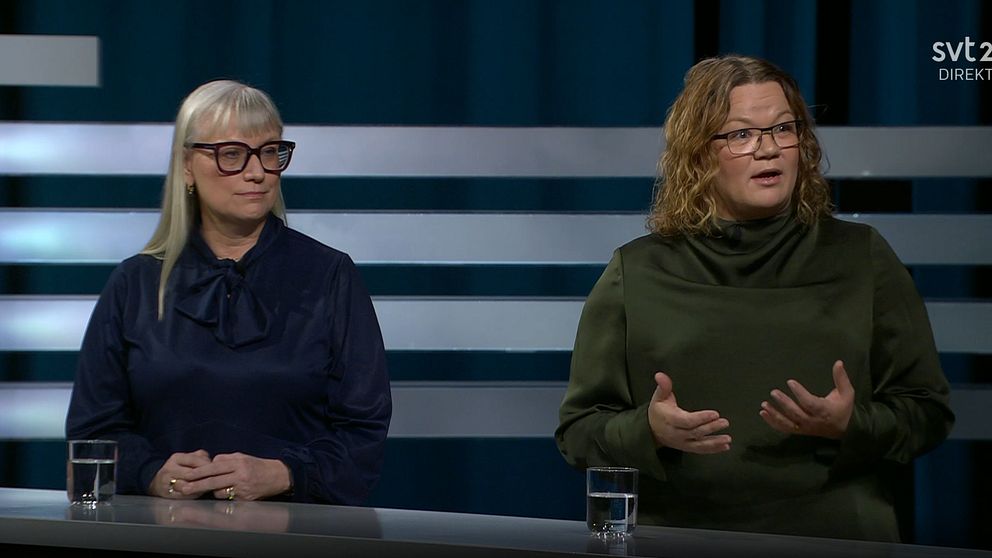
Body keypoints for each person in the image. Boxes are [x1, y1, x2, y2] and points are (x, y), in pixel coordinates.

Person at [555, 55, 954, 541]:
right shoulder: (637, 271)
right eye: (741, 134)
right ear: (699, 154)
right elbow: (578, 432)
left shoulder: (861, 257)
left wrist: (853, 423)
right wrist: (649, 431)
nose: (768, 150)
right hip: (683, 539)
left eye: (783, 129)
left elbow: (928, 411)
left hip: (835, 538)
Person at [66, 80, 392, 505]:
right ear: (187, 166)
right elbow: (93, 432)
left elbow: (363, 434)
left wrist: (284, 473)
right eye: (232, 154)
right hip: (162, 532)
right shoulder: (135, 284)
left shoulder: (330, 276)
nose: (257, 172)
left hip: (295, 530)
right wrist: (152, 474)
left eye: (270, 152)